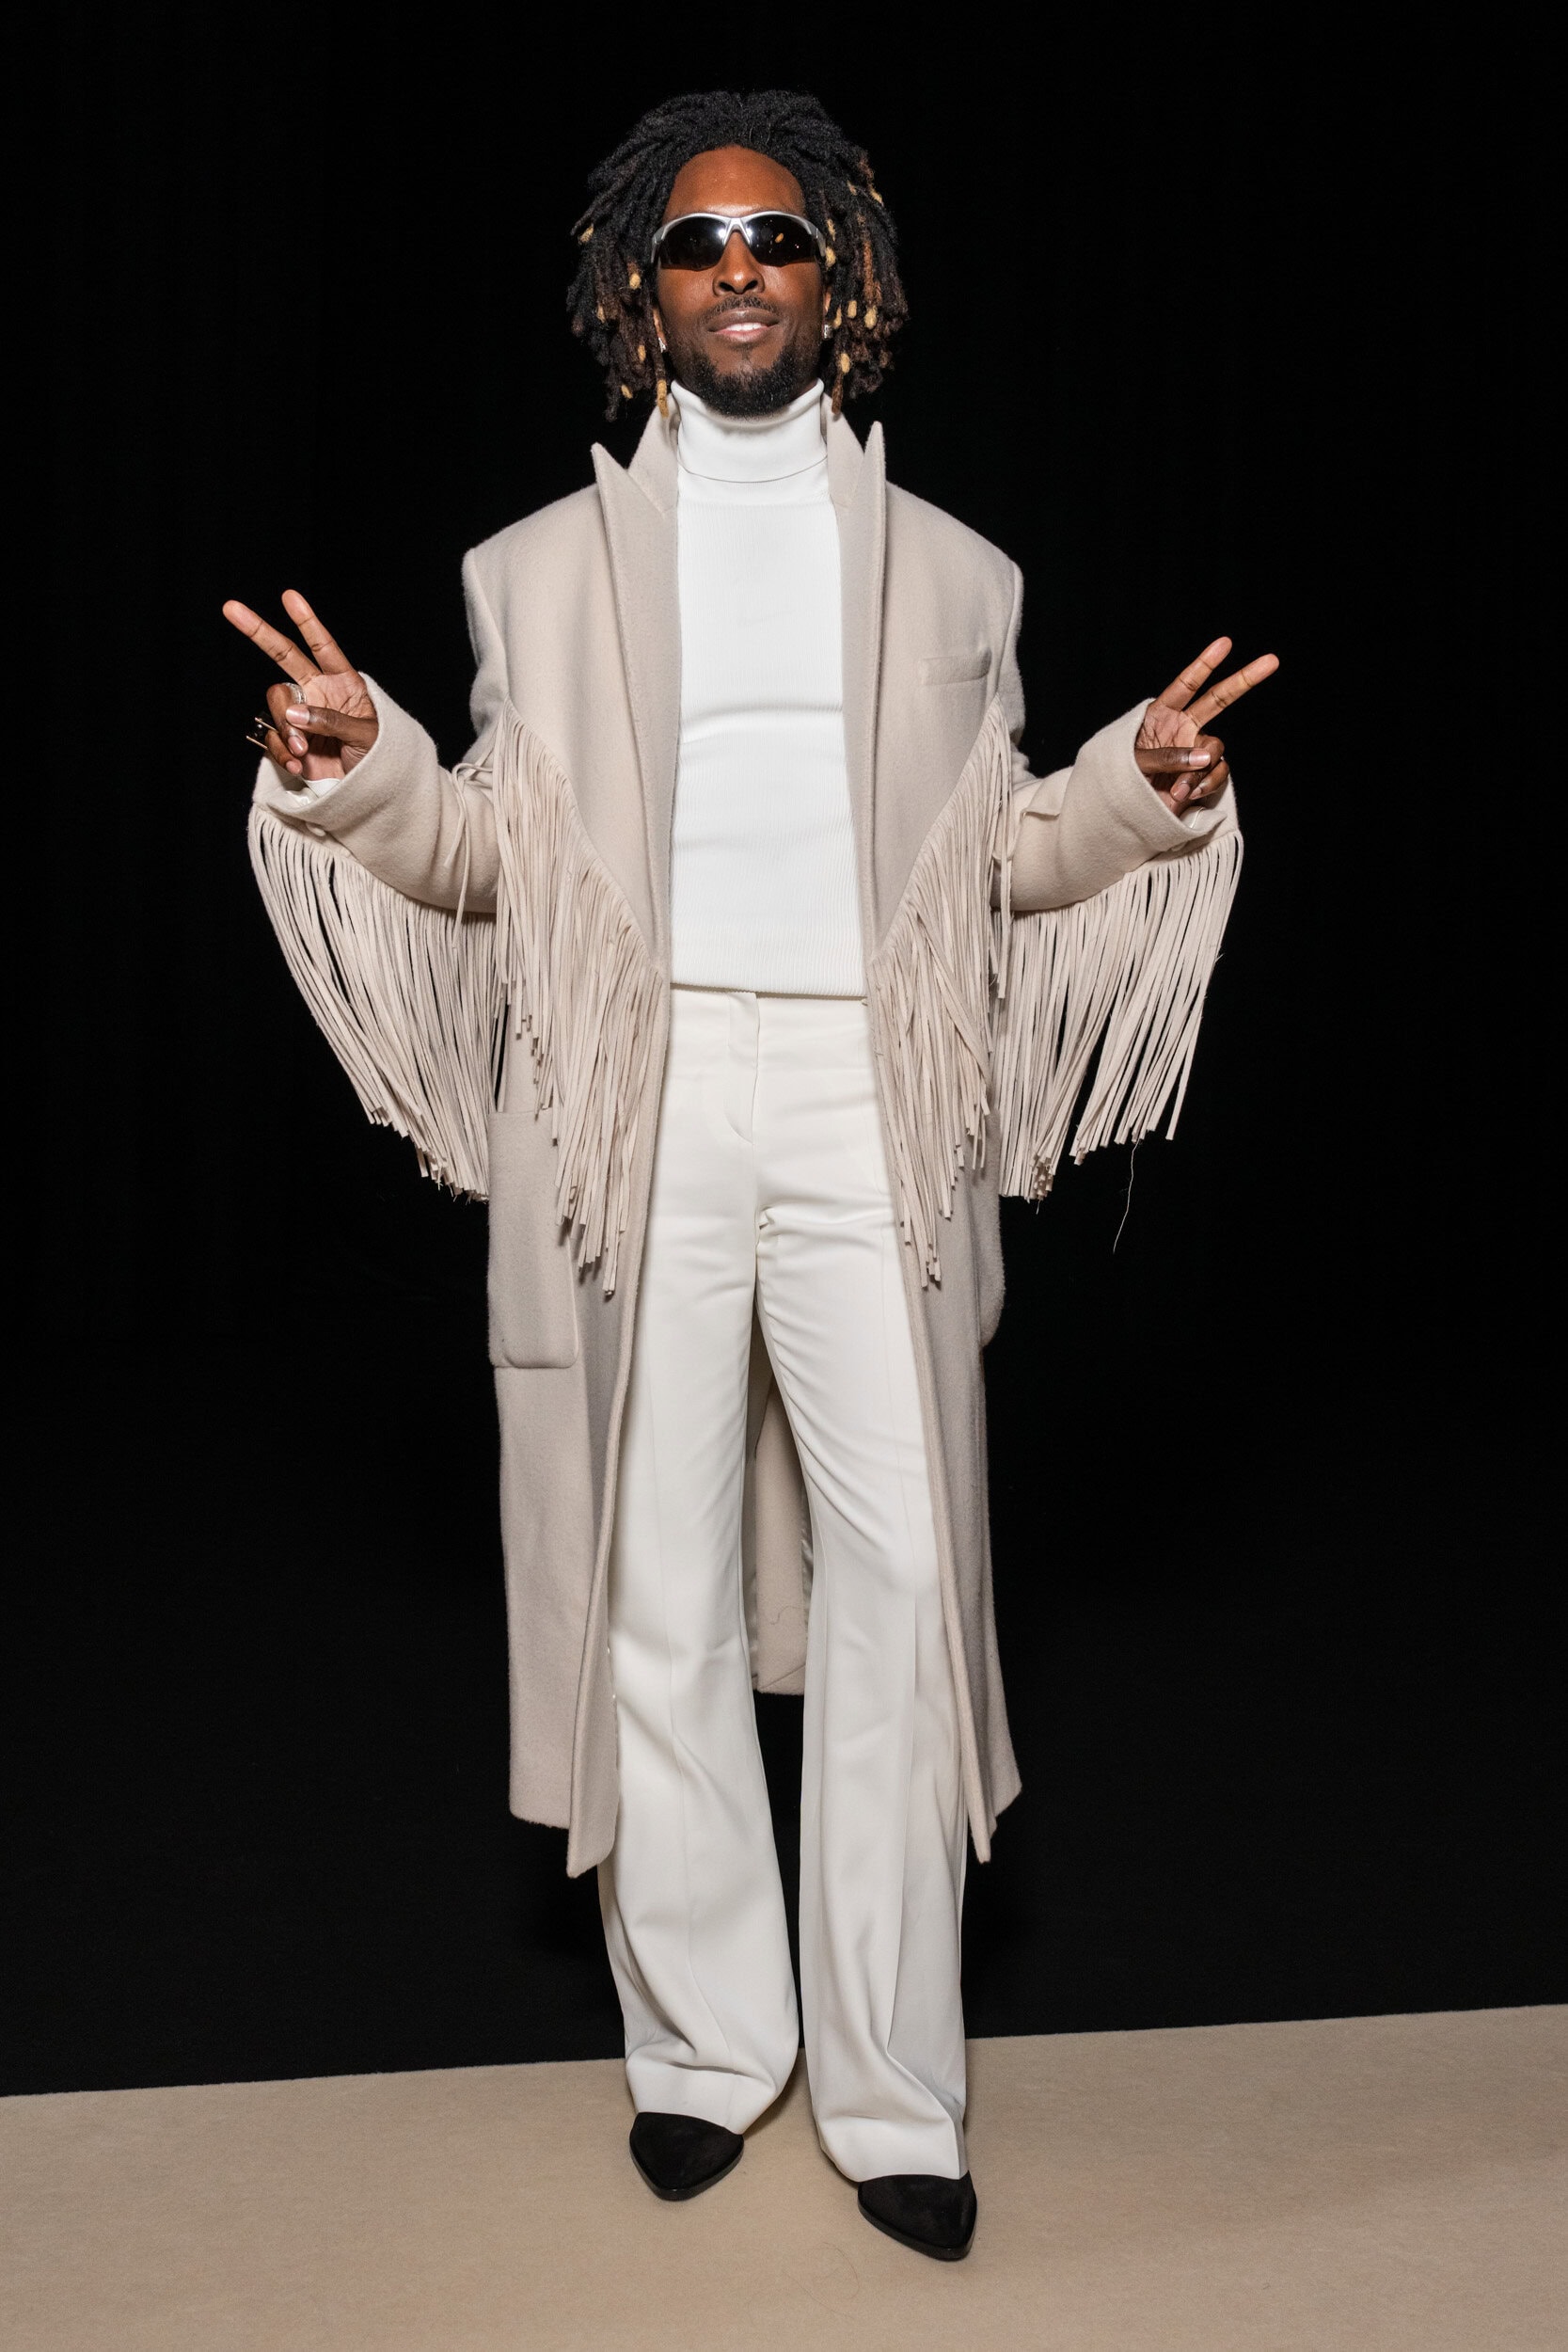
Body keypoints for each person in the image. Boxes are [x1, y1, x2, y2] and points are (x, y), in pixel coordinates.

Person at [226, 88, 1275, 2263]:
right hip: (645, 1097)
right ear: (640, 292)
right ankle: (708, 2047)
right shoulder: (530, 569)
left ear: (841, 283)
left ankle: (894, 2089)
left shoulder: (959, 571)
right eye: (695, 243)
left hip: (874, 1105)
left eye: (775, 239)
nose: (736, 272)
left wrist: (1141, 788)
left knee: (907, 1578)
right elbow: (492, 859)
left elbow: (998, 859)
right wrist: (364, 766)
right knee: (658, 1577)